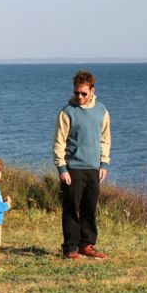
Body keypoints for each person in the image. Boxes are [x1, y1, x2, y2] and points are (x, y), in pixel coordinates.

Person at [52, 70, 111, 260]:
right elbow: (59, 141)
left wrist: (104, 163)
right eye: (77, 92)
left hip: (93, 168)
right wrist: (62, 168)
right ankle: (70, 249)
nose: (79, 96)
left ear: (92, 91)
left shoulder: (102, 110)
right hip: (73, 169)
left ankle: (87, 245)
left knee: (90, 208)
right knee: (71, 209)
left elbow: (105, 139)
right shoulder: (67, 112)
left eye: (84, 93)